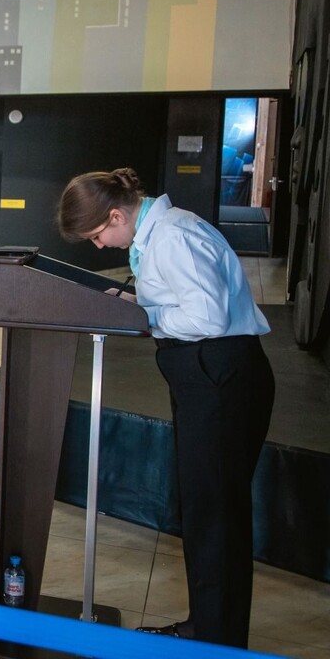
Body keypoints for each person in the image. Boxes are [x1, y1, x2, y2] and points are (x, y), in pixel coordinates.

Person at [57, 168, 274, 649]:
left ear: (117, 215)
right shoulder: (159, 234)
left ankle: (216, 642)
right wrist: (134, 302)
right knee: (205, 511)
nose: (99, 246)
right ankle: (208, 628)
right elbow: (185, 300)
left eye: (97, 235)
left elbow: (208, 318)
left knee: (215, 516)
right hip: (207, 377)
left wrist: (142, 316)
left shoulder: (174, 236)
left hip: (220, 377)